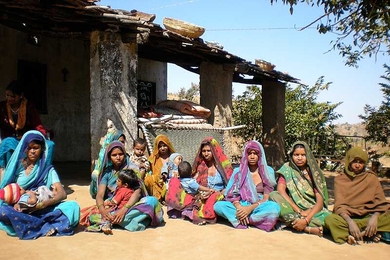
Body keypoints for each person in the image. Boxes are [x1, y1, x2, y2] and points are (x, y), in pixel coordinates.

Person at [0, 130, 80, 239]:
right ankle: (45, 225)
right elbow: (9, 189)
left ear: (42, 149)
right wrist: (16, 203)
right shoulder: (17, 167)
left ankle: (32, 225)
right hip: (21, 208)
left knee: (73, 207)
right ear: (24, 148)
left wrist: (43, 204)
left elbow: (61, 194)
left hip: (42, 207)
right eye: (29, 148)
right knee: (3, 211)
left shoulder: (48, 170)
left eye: (36, 148)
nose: (32, 151)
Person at [80, 141, 164, 232]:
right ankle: (122, 221)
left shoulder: (132, 169)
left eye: (120, 154)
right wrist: (103, 210)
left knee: (152, 201)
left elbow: (138, 191)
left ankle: (113, 220)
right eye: (114, 155)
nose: (118, 157)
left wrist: (124, 210)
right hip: (114, 206)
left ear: (124, 154)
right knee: (91, 216)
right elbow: (100, 195)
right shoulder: (107, 173)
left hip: (131, 205)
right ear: (109, 157)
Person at [324, 147, 390, 245]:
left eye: (361, 162)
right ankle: (368, 232)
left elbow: (381, 204)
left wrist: (374, 218)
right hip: (349, 218)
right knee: (330, 220)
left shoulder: (371, 178)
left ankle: (360, 234)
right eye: (354, 161)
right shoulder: (340, 180)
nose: (357, 165)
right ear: (349, 161)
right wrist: (350, 222)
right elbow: (339, 206)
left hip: (369, 216)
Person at [214, 140, 280, 231]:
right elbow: (232, 195)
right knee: (218, 206)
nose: (252, 156)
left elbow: (266, 198)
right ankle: (253, 219)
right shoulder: (238, 171)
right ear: (245, 155)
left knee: (274, 208)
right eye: (249, 153)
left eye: (255, 153)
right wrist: (240, 208)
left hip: (259, 205)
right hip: (241, 205)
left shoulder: (268, 171)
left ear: (260, 155)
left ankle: (244, 219)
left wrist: (249, 209)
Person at [166, 137, 233, 225]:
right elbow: (192, 183)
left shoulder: (222, 167)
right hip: (200, 195)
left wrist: (218, 192)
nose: (206, 154)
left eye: (209, 151)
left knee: (215, 199)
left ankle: (201, 213)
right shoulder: (200, 166)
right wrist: (201, 194)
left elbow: (230, 185)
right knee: (174, 181)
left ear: (214, 151)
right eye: (204, 151)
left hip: (218, 194)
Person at [269, 141, 329, 237]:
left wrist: (306, 219)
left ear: (308, 156)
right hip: (293, 208)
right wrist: (298, 210)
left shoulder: (314, 172)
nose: (299, 158)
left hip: (312, 209)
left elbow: (320, 201)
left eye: (303, 155)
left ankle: (295, 224)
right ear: (292, 155)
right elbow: (281, 190)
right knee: (273, 195)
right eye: (296, 155)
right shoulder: (287, 168)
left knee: (329, 219)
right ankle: (305, 227)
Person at [0, 80, 53, 171]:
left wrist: (37, 136)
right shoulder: (2, 107)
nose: (9, 98)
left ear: (21, 96)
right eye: (7, 95)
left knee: (50, 145)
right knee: (8, 143)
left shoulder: (29, 107)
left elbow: (37, 125)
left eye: (12, 96)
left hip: (28, 139)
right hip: (10, 139)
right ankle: (9, 176)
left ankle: (44, 175)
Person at [85, 168, 142, 235]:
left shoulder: (122, 190)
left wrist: (105, 204)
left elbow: (114, 202)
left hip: (118, 211)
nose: (116, 181)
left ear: (125, 185)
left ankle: (106, 223)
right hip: (126, 209)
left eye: (118, 180)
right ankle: (107, 224)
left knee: (92, 217)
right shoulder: (130, 190)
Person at [90, 121, 124, 198]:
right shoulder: (105, 159)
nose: (121, 144)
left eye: (123, 142)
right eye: (118, 141)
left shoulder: (127, 159)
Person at [144, 134, 175, 202]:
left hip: (171, 181)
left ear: (168, 145)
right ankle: (158, 199)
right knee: (148, 179)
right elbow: (148, 170)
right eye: (160, 146)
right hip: (158, 182)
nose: (162, 148)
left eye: (164, 145)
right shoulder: (154, 158)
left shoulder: (174, 157)